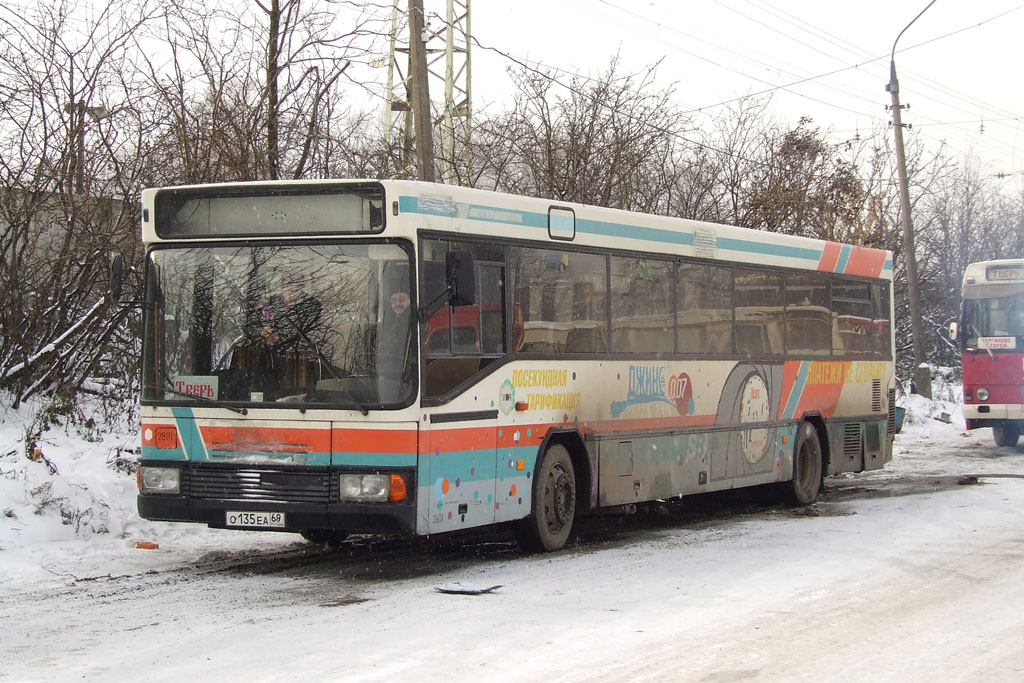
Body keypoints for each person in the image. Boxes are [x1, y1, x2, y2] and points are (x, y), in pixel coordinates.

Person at [378, 287, 413, 402]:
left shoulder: (412, 321)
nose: (397, 303)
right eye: (394, 300)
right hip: (389, 375)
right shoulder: (388, 320)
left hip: (405, 376)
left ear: (410, 301)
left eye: (402, 299)